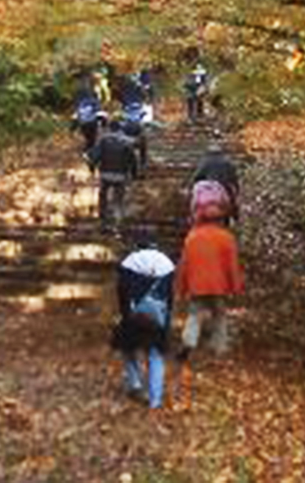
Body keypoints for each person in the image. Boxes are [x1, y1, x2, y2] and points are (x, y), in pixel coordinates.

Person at [175, 204, 244, 402]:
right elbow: (232, 265)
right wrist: (236, 286)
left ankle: (188, 343)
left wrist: (181, 287)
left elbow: (184, 264)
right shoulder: (227, 238)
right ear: (220, 220)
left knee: (194, 315)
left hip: (197, 284)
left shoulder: (192, 237)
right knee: (220, 316)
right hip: (219, 284)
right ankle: (219, 347)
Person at [111, 228, 175, 410]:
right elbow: (170, 297)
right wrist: (167, 323)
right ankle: (155, 401)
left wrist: (125, 317)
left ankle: (135, 384)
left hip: (134, 312)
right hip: (158, 314)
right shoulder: (167, 263)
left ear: (138, 244)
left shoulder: (129, 262)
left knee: (127, 348)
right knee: (156, 354)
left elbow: (122, 292)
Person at [86, 120, 139, 228]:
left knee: (103, 195)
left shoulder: (103, 140)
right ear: (120, 129)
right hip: (121, 175)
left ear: (109, 128)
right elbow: (133, 160)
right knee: (119, 197)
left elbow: (94, 157)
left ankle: (103, 218)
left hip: (105, 174)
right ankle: (117, 219)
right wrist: (134, 174)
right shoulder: (127, 142)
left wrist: (92, 167)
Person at [191, 143, 241, 219]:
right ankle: (234, 217)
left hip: (206, 190)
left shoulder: (205, 161)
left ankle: (192, 219)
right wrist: (236, 191)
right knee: (231, 202)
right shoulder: (227, 162)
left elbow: (196, 177)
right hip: (223, 187)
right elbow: (233, 179)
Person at [72, 86, 105, 152]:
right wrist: (103, 122)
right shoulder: (93, 101)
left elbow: (77, 115)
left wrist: (74, 127)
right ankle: (91, 150)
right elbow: (99, 112)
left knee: (89, 138)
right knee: (92, 138)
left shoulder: (79, 103)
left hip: (84, 123)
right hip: (91, 122)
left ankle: (89, 148)